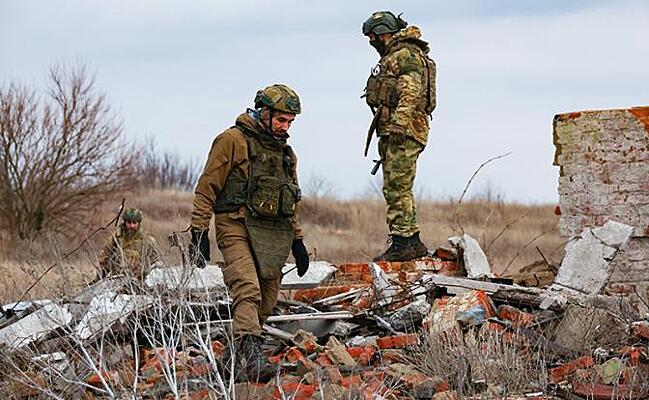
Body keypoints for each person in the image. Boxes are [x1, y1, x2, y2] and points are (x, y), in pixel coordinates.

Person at [188, 84, 310, 382]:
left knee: (267, 301)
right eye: (281, 120)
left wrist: (298, 240)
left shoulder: (285, 153)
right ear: (264, 113)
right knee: (247, 289)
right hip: (236, 224)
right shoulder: (232, 141)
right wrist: (198, 231)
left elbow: (290, 201)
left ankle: (230, 360)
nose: (285, 127)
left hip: (272, 233)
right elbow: (207, 188)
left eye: (290, 122)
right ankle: (255, 360)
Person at [362, 11, 437, 262]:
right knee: (399, 186)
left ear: (383, 34)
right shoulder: (400, 54)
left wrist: (398, 124)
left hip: (404, 131)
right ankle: (411, 241)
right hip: (401, 129)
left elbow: (410, 92)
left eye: (373, 36)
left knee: (397, 186)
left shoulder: (404, 55)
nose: (372, 41)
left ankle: (402, 241)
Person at [98, 207, 161, 281]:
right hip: (117, 279)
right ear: (125, 222)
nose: (132, 226)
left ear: (138, 223)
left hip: (139, 281)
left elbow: (156, 261)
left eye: (134, 223)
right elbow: (104, 256)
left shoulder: (146, 240)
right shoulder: (117, 237)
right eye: (129, 223)